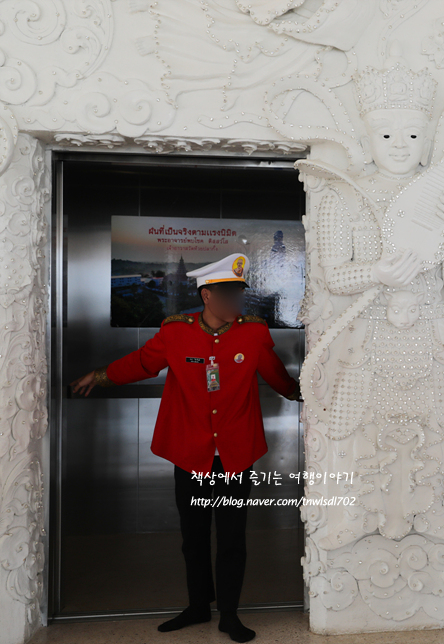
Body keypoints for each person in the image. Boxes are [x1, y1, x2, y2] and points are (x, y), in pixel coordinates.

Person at [71, 252, 301, 643]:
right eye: (227, 294)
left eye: (239, 294)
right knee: (193, 535)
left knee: (231, 537)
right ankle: (198, 606)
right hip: (190, 452)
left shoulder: (254, 332)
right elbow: (142, 363)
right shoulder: (176, 332)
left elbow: (277, 377)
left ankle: (229, 613)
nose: (236, 302)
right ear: (207, 296)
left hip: (234, 454)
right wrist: (101, 375)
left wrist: (308, 394)